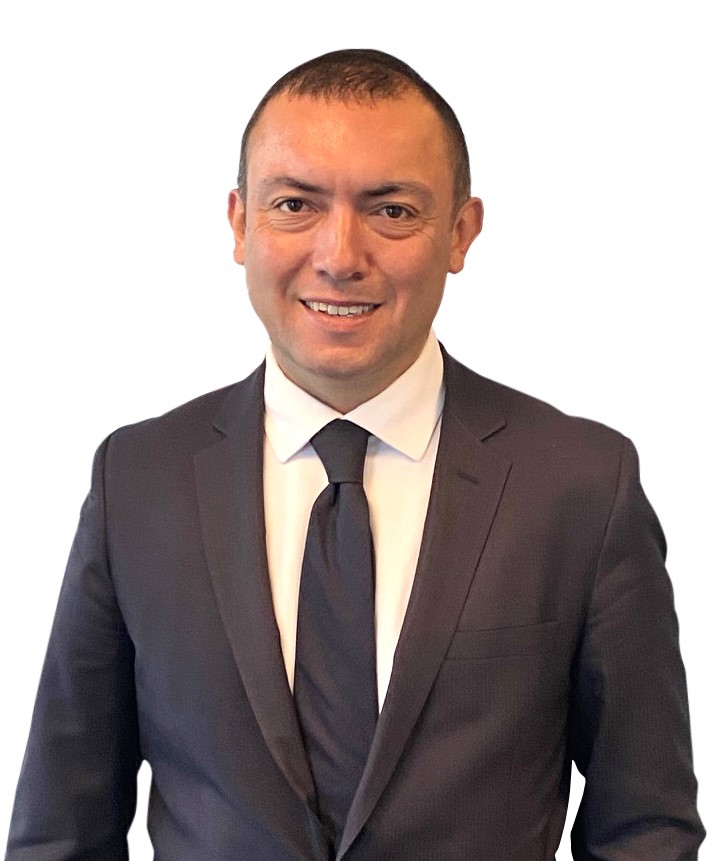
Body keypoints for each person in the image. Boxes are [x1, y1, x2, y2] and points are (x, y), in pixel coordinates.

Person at [5, 48, 704, 861]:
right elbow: (61, 832)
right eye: (294, 204)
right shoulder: (138, 480)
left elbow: (644, 829)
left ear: (460, 231)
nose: (339, 255)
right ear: (240, 223)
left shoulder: (580, 485)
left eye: (392, 210)